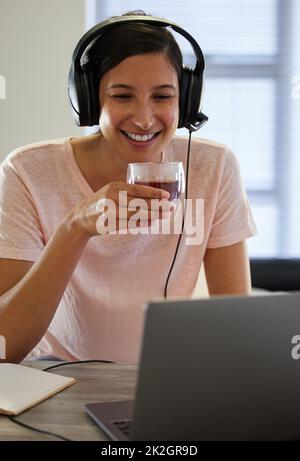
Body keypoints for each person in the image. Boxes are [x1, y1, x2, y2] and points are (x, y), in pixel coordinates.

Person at [0, 11, 257, 364]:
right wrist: (76, 228)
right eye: (123, 96)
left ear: (186, 101)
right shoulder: (29, 171)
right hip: (54, 382)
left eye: (163, 97)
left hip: (165, 384)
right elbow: (5, 347)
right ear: (90, 99)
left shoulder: (212, 166)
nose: (144, 118)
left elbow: (239, 326)